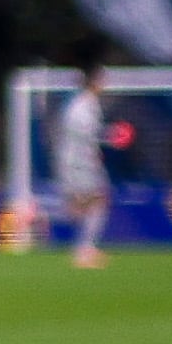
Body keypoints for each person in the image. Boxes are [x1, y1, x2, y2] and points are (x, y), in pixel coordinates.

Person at [55, 64, 112, 269]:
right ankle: (84, 250)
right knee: (93, 202)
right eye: (103, 80)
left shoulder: (86, 104)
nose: (105, 84)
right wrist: (111, 136)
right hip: (79, 165)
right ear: (94, 82)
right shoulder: (82, 107)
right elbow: (85, 136)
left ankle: (85, 249)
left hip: (80, 163)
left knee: (83, 206)